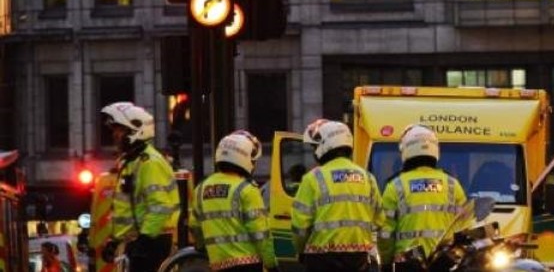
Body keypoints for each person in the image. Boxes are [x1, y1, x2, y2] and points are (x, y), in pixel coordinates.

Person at [291, 119, 383, 272]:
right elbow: (380, 221)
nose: (314, 151)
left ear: (326, 145)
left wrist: (301, 251)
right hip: (359, 259)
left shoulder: (312, 178)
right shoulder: (368, 178)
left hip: (321, 260)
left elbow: (300, 228)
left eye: (315, 146)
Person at [99, 101, 181, 272]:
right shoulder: (131, 162)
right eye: (114, 130)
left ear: (135, 131)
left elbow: (160, 207)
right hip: (137, 244)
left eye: (119, 130)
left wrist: (144, 242)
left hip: (151, 245)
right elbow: (129, 209)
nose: (114, 135)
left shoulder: (150, 163)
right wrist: (115, 242)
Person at [190, 131, 277, 272]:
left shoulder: (201, 189)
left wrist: (204, 248)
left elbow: (195, 227)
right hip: (248, 264)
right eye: (253, 159)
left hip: (218, 265)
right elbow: (261, 234)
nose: (254, 164)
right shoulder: (246, 189)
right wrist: (272, 264)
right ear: (244, 158)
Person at [378, 125, 467, 264]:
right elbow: (464, 227)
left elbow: (385, 234)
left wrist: (386, 262)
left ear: (406, 150)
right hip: (444, 262)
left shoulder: (395, 186)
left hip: (407, 263)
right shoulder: (453, 185)